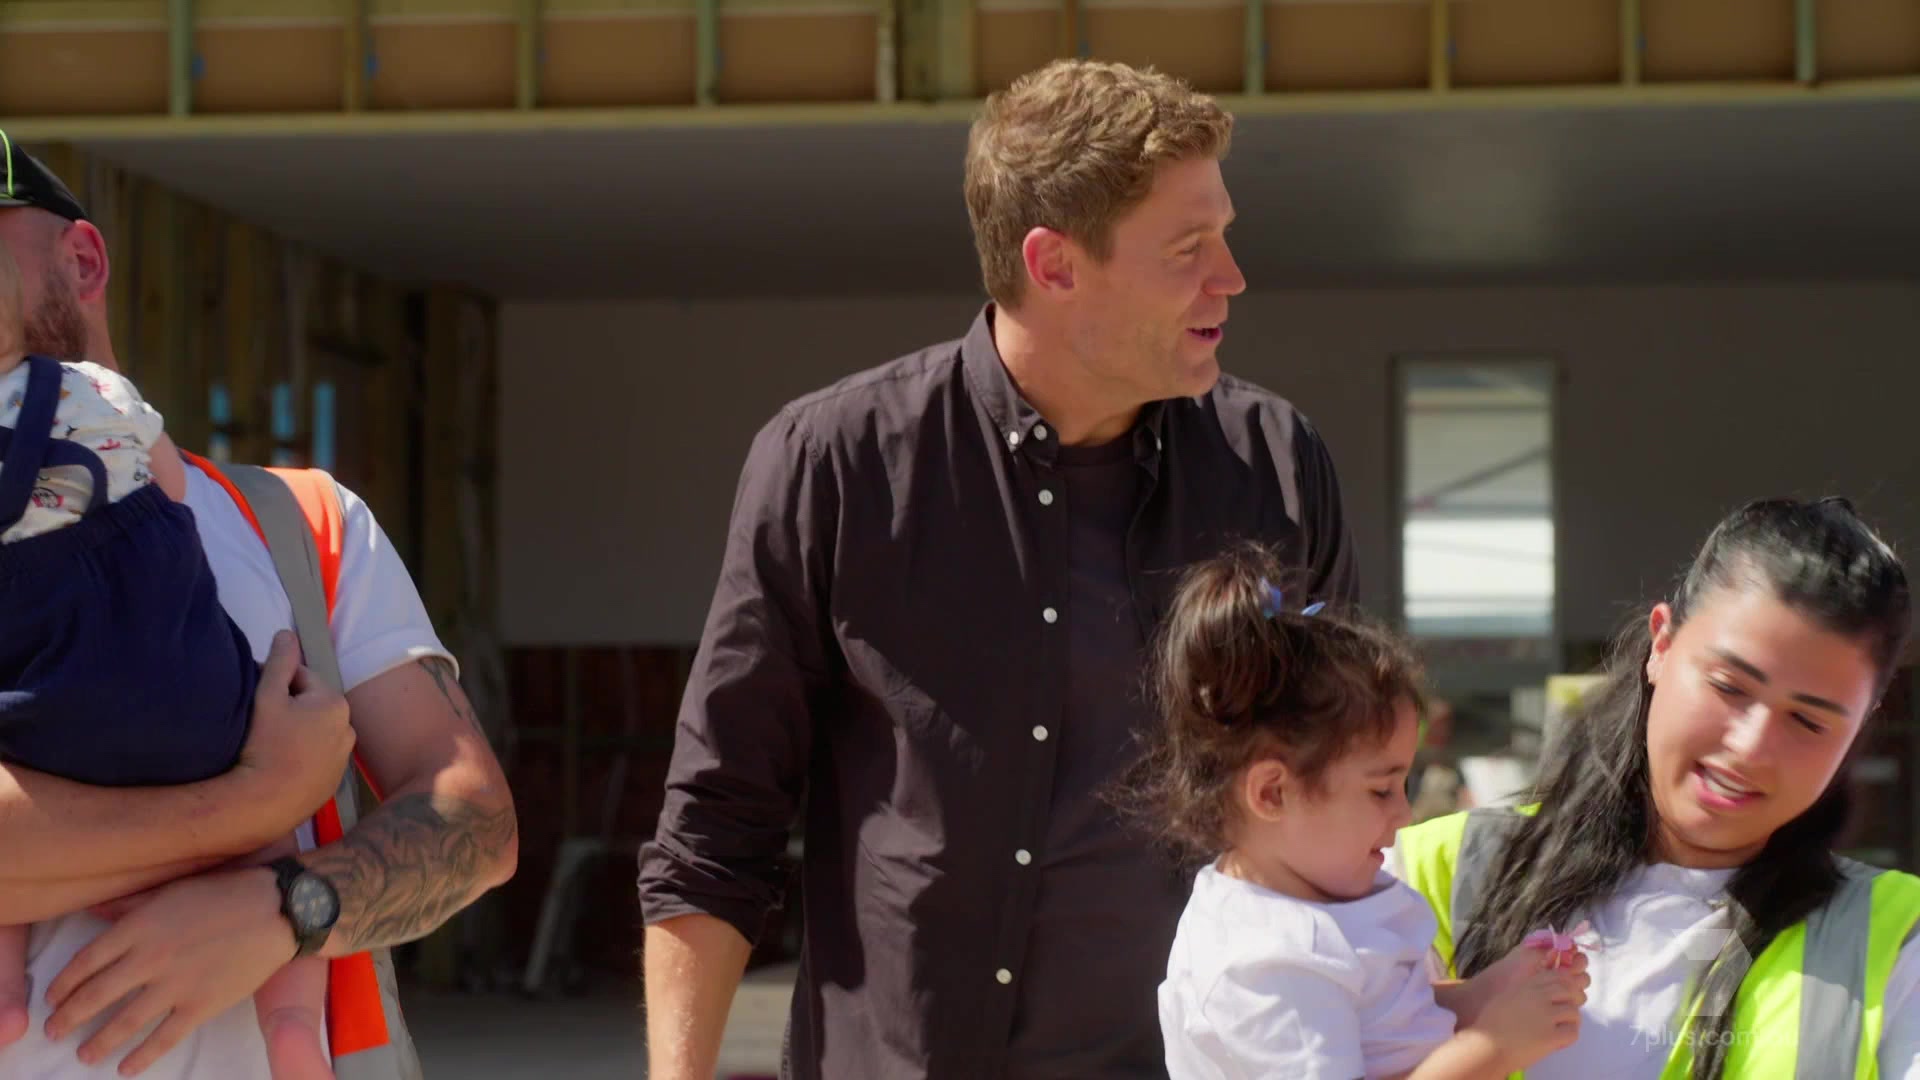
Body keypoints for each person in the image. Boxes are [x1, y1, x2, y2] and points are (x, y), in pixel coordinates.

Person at [639, 59, 1358, 1080]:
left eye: (1225, 236)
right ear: (1054, 264)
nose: (1230, 277)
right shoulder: (835, 465)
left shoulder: (1276, 468)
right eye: (1188, 248)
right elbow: (719, 821)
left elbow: (1342, 794)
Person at [0, 133, 519, 1078]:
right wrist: (261, 801)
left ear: (81, 263)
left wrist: (283, 910)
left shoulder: (299, 522)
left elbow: (475, 822)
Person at [1392, 495, 1920, 1078]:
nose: (1751, 747)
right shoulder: (1417, 876)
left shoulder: (1898, 940)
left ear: (1859, 727)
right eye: (1729, 686)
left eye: (1809, 721)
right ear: (1661, 646)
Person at [0, 235, 330, 1078]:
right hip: (190, 699)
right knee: (275, 842)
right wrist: (262, 796)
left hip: (46, 715)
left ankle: (4, 994)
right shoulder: (98, 391)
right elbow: (173, 490)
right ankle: (295, 1023)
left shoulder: (313, 520)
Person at [1131, 544, 1587, 1079]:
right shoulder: (1264, 964)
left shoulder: (1321, 895)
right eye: (1381, 790)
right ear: (1273, 794)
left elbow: (1394, 1021)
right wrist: (1496, 1045)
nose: (1405, 814)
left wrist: (1488, 993)